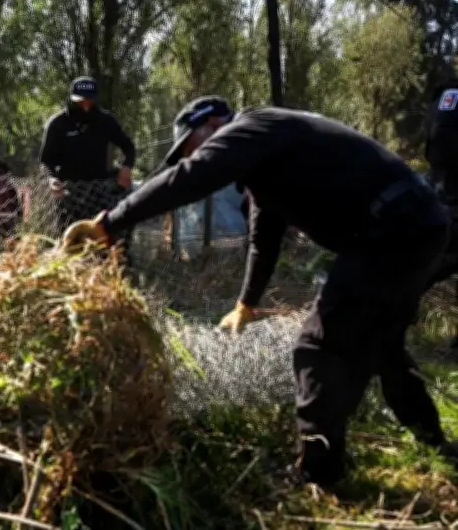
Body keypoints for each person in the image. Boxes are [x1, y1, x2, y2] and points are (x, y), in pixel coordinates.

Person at [62, 96, 458, 487]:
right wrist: (245, 304)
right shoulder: (269, 161)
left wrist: (110, 223)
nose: (200, 155)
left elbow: (191, 178)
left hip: (393, 229)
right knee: (384, 342)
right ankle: (432, 438)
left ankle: (317, 473)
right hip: (416, 225)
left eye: (193, 147)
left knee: (316, 347)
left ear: (213, 127)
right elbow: (262, 241)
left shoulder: (254, 128)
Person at [39, 76, 136, 252]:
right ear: (71, 99)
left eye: (89, 101)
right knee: (70, 245)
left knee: (107, 244)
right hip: (69, 194)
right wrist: (51, 179)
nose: (85, 106)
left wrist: (126, 168)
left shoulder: (106, 121)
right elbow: (46, 161)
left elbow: (129, 147)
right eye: (80, 101)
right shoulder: (57, 124)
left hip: (100, 194)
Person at [423, 79, 458, 354]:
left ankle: (385, 324)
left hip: (439, 200)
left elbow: (432, 152)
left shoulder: (441, 99)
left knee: (422, 268)